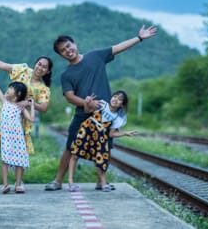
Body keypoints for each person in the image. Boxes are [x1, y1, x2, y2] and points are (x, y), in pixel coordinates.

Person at [44, 25, 156, 191]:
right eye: (63, 50)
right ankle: (58, 181)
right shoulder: (66, 75)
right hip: (83, 115)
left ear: (74, 44)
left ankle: (100, 182)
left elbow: (117, 48)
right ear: (61, 55)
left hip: (106, 115)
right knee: (71, 147)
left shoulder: (95, 56)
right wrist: (86, 103)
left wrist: (139, 38)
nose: (67, 51)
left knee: (104, 148)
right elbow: (69, 96)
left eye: (68, 46)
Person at [0, 49, 53, 192]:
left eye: (44, 67)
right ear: (35, 64)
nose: (40, 67)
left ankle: (18, 181)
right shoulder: (23, 70)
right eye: (39, 64)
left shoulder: (43, 88)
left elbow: (43, 107)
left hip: (21, 119)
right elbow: (2, 65)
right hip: (3, 112)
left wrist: (29, 103)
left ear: (47, 71)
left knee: (19, 149)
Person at [67, 90, 138, 192]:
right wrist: (87, 103)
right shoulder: (102, 104)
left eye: (120, 100)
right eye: (115, 97)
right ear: (111, 97)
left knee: (101, 157)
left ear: (122, 104)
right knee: (75, 154)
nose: (116, 100)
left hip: (100, 135)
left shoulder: (118, 118)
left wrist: (124, 133)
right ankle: (70, 182)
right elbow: (87, 111)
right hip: (87, 129)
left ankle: (103, 183)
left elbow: (111, 134)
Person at [0, 66, 35, 193]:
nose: (7, 90)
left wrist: (31, 105)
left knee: (19, 160)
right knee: (5, 160)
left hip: (17, 138)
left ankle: (18, 184)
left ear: (18, 94)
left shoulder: (19, 107)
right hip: (6, 137)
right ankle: (5, 185)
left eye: (11, 89)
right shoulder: (4, 102)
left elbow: (31, 119)